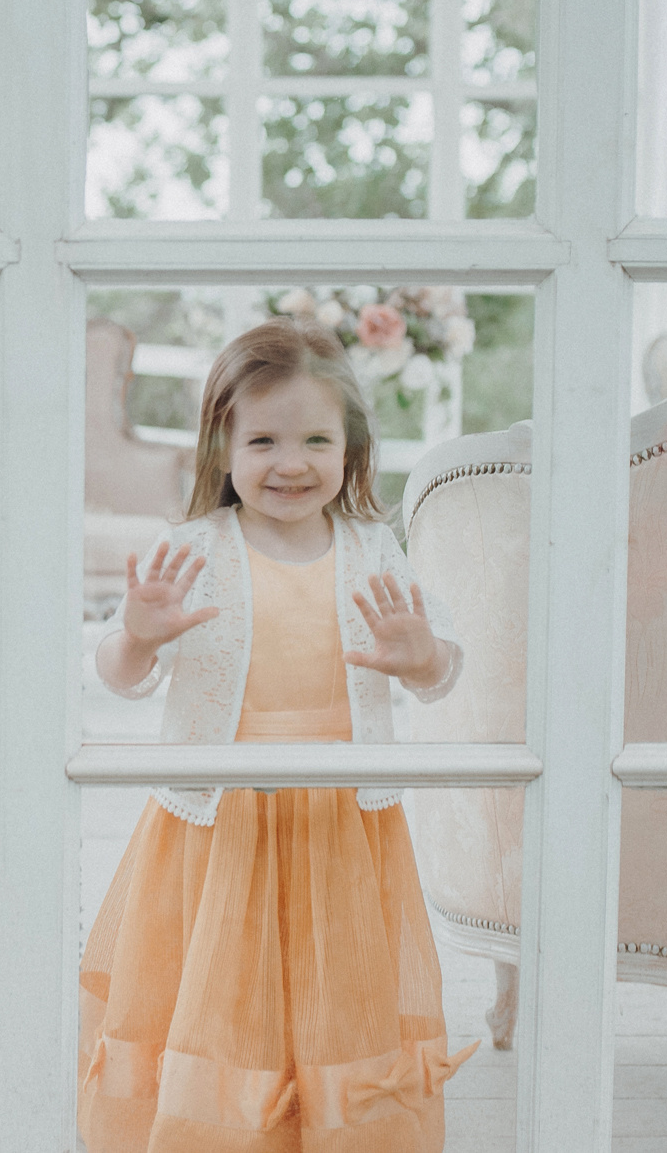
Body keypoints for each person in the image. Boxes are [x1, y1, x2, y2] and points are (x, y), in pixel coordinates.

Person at [78, 318, 478, 1151]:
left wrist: (422, 654)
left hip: (340, 823)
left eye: (315, 440)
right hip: (218, 824)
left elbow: (440, 674)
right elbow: (119, 677)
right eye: (262, 439)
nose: (290, 462)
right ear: (221, 446)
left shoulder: (375, 550)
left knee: (337, 998)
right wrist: (141, 635)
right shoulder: (193, 550)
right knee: (224, 994)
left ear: (352, 447)